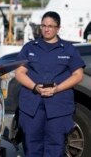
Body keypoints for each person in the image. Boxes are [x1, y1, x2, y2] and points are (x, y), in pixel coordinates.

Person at [15, 11, 85, 157]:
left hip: (58, 106)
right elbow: (19, 73)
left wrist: (57, 88)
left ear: (58, 28)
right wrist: (35, 87)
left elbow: (78, 75)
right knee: (31, 146)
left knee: (55, 147)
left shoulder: (68, 49)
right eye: (44, 26)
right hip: (32, 106)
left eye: (51, 26)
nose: (46, 29)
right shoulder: (29, 47)